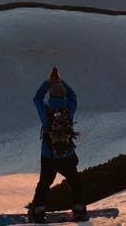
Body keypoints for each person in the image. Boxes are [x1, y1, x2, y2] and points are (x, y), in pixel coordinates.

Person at [29, 67, 86, 223]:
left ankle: (38, 212)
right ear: (63, 95)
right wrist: (61, 82)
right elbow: (73, 95)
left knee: (44, 184)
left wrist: (49, 82)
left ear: (51, 96)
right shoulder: (69, 110)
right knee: (74, 182)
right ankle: (79, 210)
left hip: (49, 156)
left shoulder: (46, 112)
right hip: (67, 155)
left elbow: (37, 99)